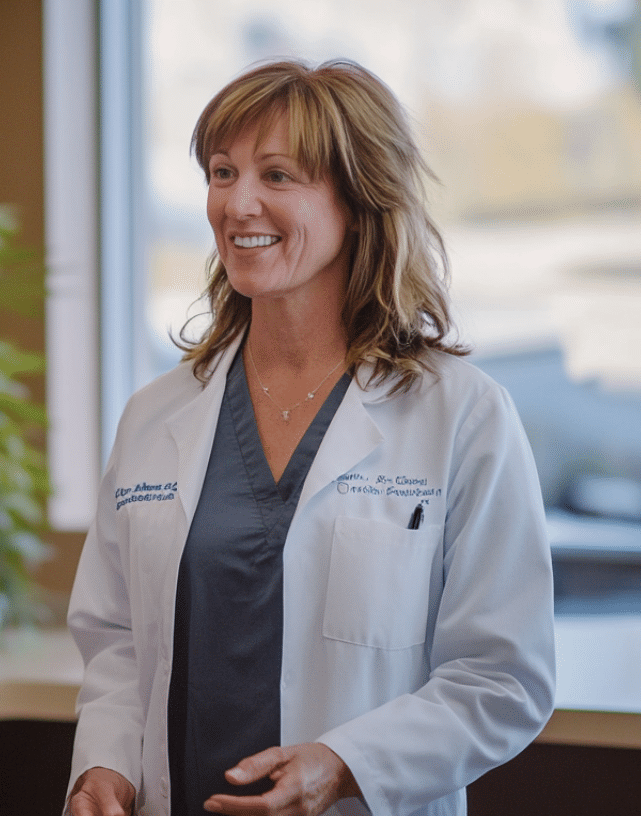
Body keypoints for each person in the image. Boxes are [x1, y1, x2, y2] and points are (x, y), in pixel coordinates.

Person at [65, 59, 554, 816]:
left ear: (357, 202)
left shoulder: (460, 415)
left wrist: (347, 764)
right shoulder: (158, 416)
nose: (237, 202)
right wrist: (104, 767)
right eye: (222, 172)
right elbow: (118, 641)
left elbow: (503, 677)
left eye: (277, 175)